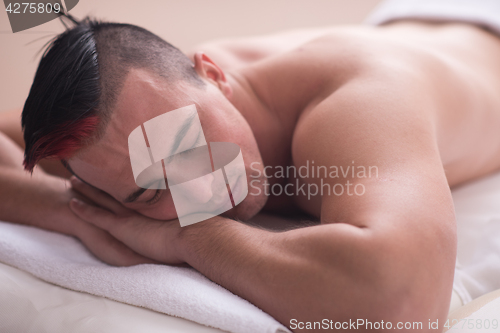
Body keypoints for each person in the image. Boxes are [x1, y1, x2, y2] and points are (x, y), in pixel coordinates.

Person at [2, 1, 500, 330]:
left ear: (215, 76)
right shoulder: (127, 130)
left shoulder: (356, 103)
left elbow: (400, 304)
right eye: (149, 195)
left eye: (187, 143)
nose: (201, 191)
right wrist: (74, 212)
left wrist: (187, 238)